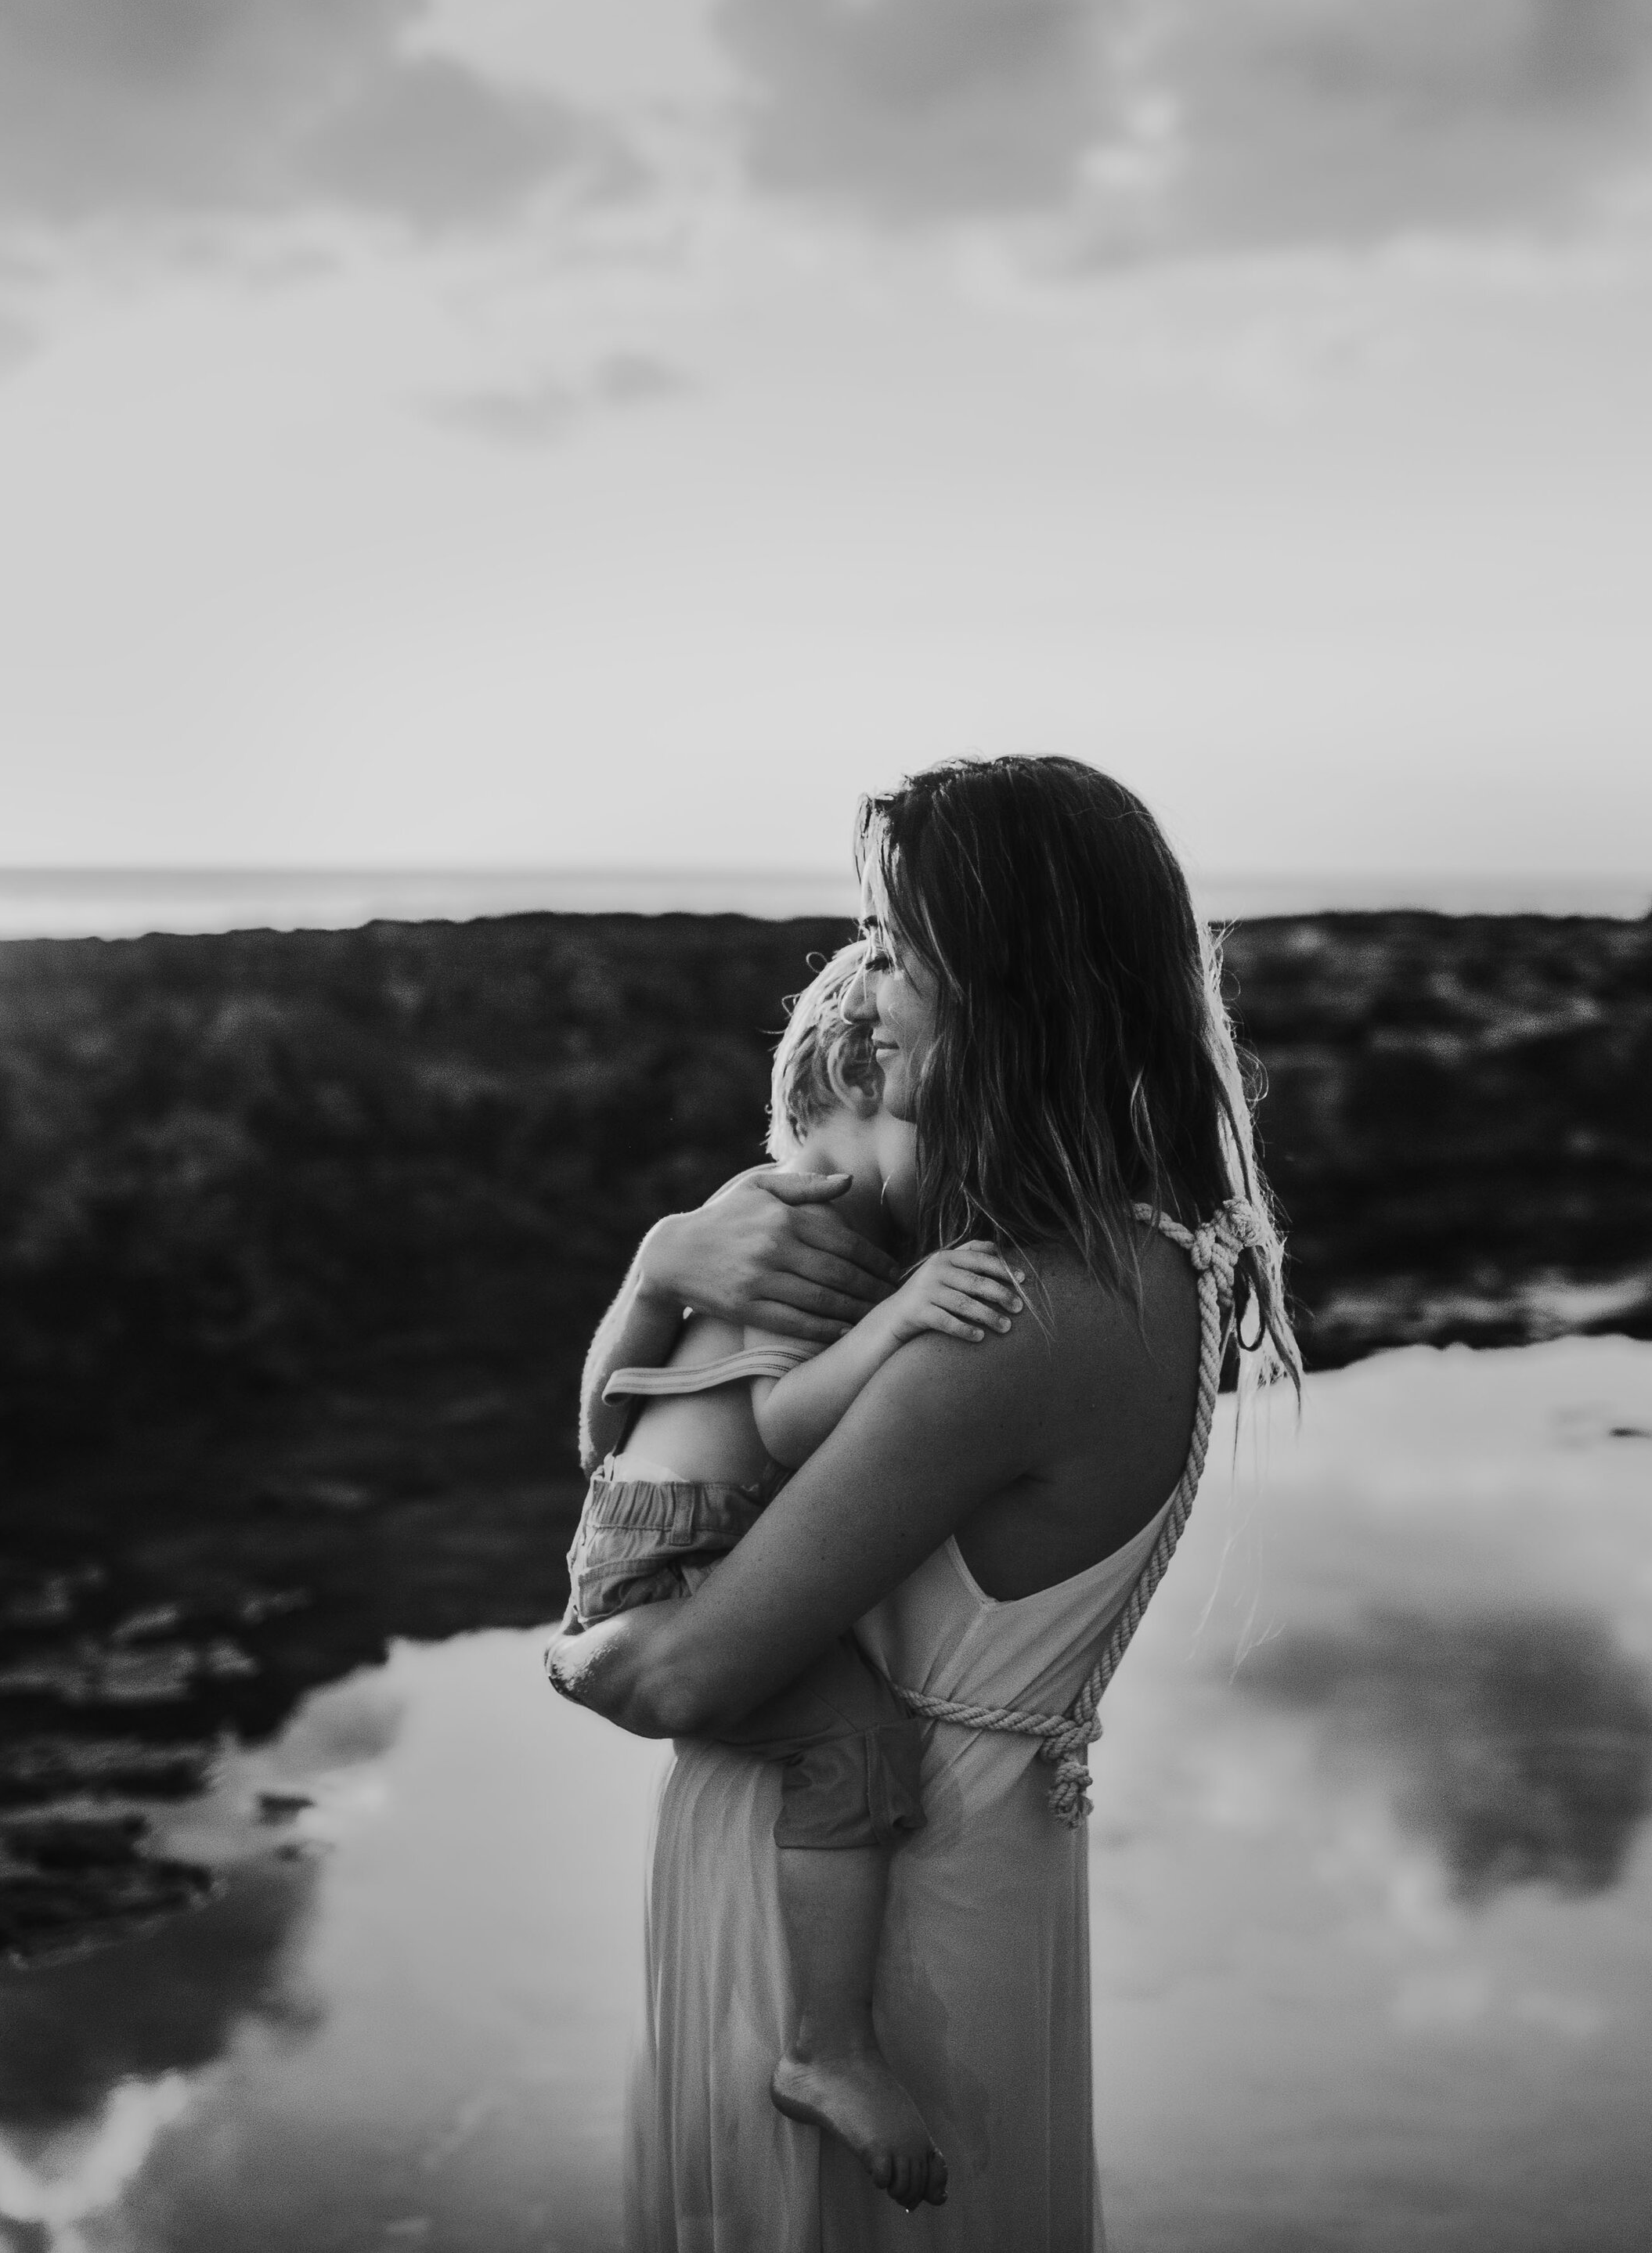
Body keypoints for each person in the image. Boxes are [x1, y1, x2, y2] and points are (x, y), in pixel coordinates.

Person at [550, 756, 1300, 2251]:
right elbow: (618, 1446)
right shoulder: (1139, 1254)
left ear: (1003, 985)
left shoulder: (1010, 1313)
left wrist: (570, 1652)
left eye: (893, 948)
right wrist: (655, 1271)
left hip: (877, 1916)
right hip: (925, 1860)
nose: (866, 989)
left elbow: (675, 1667)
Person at [562, 942, 1028, 2210]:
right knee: (858, 1747)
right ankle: (830, 2046)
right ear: (865, 1087)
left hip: (657, 1531)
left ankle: (833, 2040)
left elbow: (604, 1425)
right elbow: (780, 1424)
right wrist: (903, 1318)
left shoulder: (769, 1205)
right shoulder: (799, 1217)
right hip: (677, 1553)